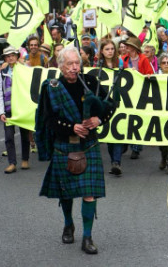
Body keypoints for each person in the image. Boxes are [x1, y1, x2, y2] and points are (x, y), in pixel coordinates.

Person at [36, 47, 117, 255]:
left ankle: (87, 237)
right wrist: (71, 127)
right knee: (66, 192)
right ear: (60, 65)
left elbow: (110, 104)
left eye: (77, 63)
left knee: (89, 193)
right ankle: (68, 224)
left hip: (88, 144)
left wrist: (100, 119)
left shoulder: (89, 82)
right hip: (65, 144)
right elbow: (48, 119)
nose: (74, 68)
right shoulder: (53, 87)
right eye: (70, 64)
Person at [0, 46, 31, 174]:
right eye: (8, 56)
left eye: (13, 55)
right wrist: (1, 112)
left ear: (17, 57)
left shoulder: (25, 70)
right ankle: (12, 163)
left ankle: (25, 159)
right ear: (5, 58)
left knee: (25, 135)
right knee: (9, 136)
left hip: (22, 109)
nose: (10, 57)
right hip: (8, 109)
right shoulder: (2, 74)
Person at [121, 36, 154, 159]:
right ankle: (124, 142)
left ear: (134, 48)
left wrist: (138, 74)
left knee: (137, 119)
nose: (126, 48)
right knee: (126, 118)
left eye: (128, 46)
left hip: (140, 93)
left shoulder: (143, 59)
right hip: (128, 93)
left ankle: (136, 148)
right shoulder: (123, 59)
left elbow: (150, 74)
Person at [98, 39, 123, 176]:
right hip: (104, 102)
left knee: (117, 132)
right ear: (102, 51)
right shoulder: (97, 65)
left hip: (118, 101)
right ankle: (114, 160)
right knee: (109, 133)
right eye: (107, 49)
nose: (110, 51)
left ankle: (116, 162)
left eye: (112, 49)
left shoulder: (120, 64)